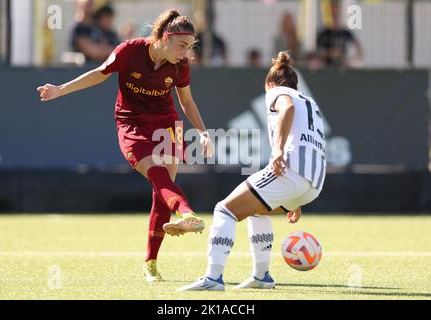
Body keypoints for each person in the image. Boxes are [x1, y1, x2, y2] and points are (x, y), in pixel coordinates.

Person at [38, 9, 214, 282]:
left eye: (190, 47)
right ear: (165, 38)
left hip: (166, 124)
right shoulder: (129, 51)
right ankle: (188, 213)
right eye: (182, 45)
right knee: (159, 175)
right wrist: (61, 89)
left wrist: (203, 132)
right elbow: (99, 73)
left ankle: (151, 264)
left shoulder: (180, 65)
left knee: (161, 192)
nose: (186, 52)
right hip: (130, 123)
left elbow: (187, 102)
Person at [178, 51, 326, 291]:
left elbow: (286, 108)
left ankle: (213, 278)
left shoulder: (278, 92)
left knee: (224, 210)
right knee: (258, 211)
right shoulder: (311, 103)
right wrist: (295, 196)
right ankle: (261, 276)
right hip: (314, 183)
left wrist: (278, 149)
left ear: (269, 83)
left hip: (291, 172)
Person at [316, 1, 363, 68]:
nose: (335, 13)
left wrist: (350, 60)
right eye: (333, 11)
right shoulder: (323, 33)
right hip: (327, 67)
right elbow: (318, 52)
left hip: (343, 67)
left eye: (336, 11)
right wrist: (330, 53)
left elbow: (359, 49)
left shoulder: (345, 33)